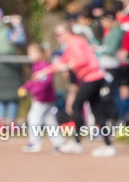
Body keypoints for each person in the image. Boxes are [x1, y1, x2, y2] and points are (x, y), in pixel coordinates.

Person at [39, 24, 114, 156]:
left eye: (59, 34)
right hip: (92, 78)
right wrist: (44, 71)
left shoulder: (74, 43)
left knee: (76, 106)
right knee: (97, 112)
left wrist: (68, 66)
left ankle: (77, 142)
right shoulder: (71, 46)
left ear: (67, 33)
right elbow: (61, 63)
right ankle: (107, 145)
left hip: (92, 78)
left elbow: (82, 60)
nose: (57, 37)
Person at [22, 43, 62, 153]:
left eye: (31, 53)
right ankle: (59, 143)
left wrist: (34, 91)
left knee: (33, 118)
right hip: (43, 98)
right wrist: (26, 87)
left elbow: (45, 83)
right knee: (50, 121)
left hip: (43, 98)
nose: (29, 55)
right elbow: (34, 81)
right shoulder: (37, 66)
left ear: (39, 54)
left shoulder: (44, 66)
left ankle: (34, 143)